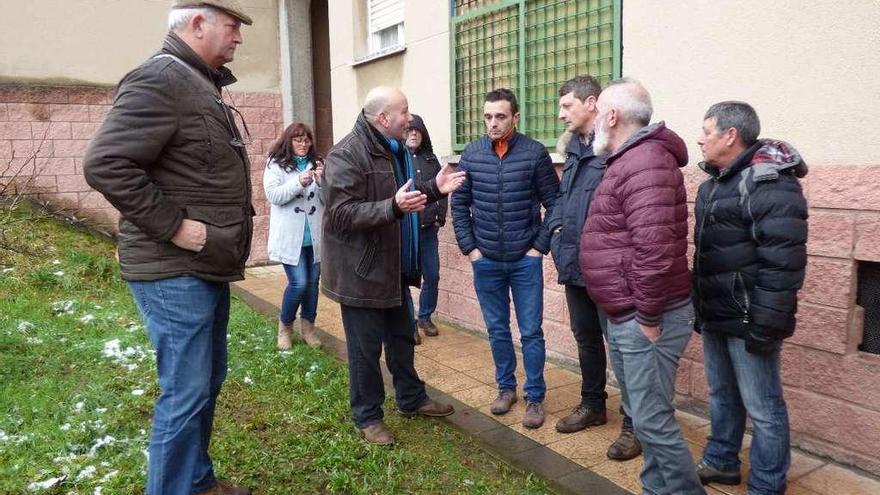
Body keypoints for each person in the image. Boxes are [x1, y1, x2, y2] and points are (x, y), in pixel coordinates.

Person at [83, 2, 254, 494]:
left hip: (203, 266)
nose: (239, 38)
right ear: (197, 24)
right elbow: (105, 163)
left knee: (205, 382)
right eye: (232, 28)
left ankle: (197, 483)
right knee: (186, 392)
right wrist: (174, 225)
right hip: (174, 267)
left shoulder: (198, 81)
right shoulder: (161, 79)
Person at [578, 78, 704, 494]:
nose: (594, 120)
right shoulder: (633, 159)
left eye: (598, 113)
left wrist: (648, 316)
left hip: (646, 315)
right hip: (631, 311)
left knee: (650, 418)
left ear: (612, 116)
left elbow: (655, 249)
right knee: (646, 412)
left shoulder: (644, 161)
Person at [321, 86, 466, 445]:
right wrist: (393, 208)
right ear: (383, 118)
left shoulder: (393, 149)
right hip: (361, 273)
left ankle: (411, 399)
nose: (409, 118)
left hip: (393, 268)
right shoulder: (347, 155)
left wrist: (433, 187)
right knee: (364, 351)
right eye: (404, 111)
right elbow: (339, 214)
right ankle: (368, 417)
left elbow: (403, 197)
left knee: (402, 338)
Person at [693, 101, 807, 495]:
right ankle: (722, 461)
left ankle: (767, 484)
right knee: (722, 395)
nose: (700, 139)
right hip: (717, 313)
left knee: (764, 407)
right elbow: (707, 258)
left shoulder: (770, 183)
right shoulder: (713, 185)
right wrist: (701, 310)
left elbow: (784, 263)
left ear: (730, 135)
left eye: (707, 131)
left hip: (750, 319)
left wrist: (766, 323)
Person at [451, 88, 559, 429]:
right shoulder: (471, 154)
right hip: (487, 262)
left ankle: (535, 398)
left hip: (524, 260)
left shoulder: (535, 154)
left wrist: (538, 248)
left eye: (500, 116)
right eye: (487, 116)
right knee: (497, 329)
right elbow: (459, 205)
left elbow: (554, 204)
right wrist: (471, 250)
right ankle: (505, 388)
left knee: (531, 331)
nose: (493, 123)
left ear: (515, 117)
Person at [548, 75, 641, 460]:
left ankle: (635, 424)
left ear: (591, 103)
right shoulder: (573, 150)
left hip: (609, 271)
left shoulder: (614, 149)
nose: (560, 115)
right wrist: (555, 232)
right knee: (586, 339)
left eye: (567, 106)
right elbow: (562, 200)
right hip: (574, 264)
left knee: (622, 348)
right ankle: (593, 405)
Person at [264, 122, 324, 350]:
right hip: (292, 238)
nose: (303, 144)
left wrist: (321, 181)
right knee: (298, 283)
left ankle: (308, 329)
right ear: (288, 142)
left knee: (312, 284)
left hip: (314, 237)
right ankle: (285, 328)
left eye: (306, 139)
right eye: (298, 140)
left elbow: (329, 199)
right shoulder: (275, 165)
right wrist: (298, 182)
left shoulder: (318, 163)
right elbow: (274, 195)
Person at [405, 114, 447, 342]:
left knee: (432, 275)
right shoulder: (398, 159)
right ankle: (409, 323)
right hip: (406, 231)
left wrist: (440, 216)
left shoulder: (431, 160)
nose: (413, 134)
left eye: (417, 131)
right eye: (409, 130)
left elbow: (442, 190)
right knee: (407, 278)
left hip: (429, 230)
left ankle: (425, 316)